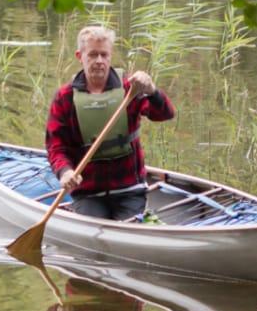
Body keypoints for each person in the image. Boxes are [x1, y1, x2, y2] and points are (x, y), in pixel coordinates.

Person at [44, 23, 174, 222]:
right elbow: (56, 146)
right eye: (93, 55)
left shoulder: (130, 89)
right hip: (89, 192)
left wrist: (151, 90)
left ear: (110, 55)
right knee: (93, 230)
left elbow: (165, 113)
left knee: (129, 231)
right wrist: (65, 171)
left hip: (129, 189)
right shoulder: (65, 97)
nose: (99, 61)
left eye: (104, 55)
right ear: (80, 56)